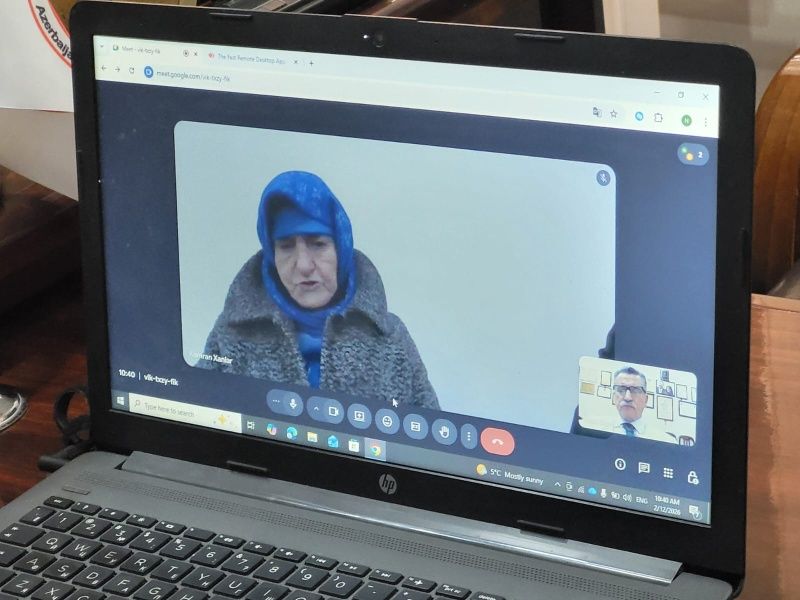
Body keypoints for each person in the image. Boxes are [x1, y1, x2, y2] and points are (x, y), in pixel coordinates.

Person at [199, 171, 439, 410]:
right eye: (286, 246)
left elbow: (426, 423)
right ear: (271, 255)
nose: (303, 265)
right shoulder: (230, 334)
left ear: (341, 247)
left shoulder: (390, 337)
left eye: (318, 244)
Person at [573, 366, 676, 443]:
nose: (627, 397)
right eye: (621, 389)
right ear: (614, 397)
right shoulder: (590, 429)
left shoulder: (666, 441)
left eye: (635, 390)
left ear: (646, 400)